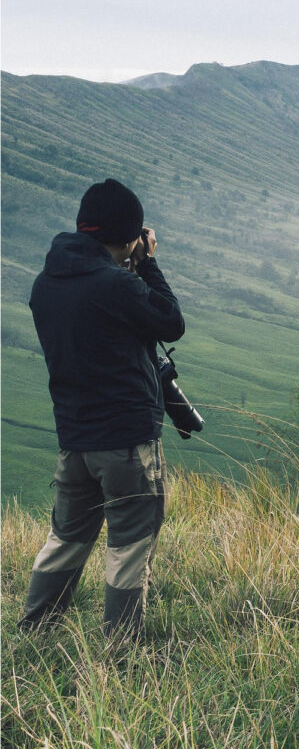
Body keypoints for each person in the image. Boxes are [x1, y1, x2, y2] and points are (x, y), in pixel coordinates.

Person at [18, 178, 185, 639]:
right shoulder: (116, 284)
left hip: (74, 442)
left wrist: (128, 261)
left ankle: (35, 634)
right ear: (130, 236)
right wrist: (147, 264)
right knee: (129, 550)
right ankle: (121, 655)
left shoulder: (46, 283)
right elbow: (171, 322)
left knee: (65, 542)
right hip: (127, 444)